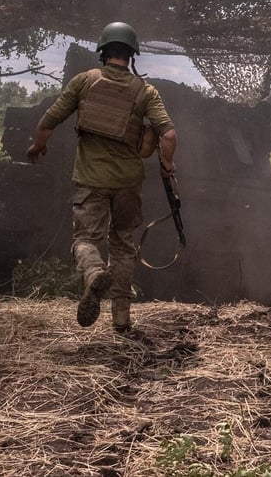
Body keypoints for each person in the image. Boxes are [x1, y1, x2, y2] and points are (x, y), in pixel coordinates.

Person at [26, 21, 177, 332]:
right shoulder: (144, 91)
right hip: (128, 184)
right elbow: (169, 134)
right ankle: (121, 321)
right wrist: (168, 165)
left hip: (90, 180)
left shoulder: (84, 81)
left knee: (84, 240)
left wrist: (38, 146)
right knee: (123, 246)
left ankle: (94, 272)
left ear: (103, 52)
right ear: (132, 56)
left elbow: (48, 121)